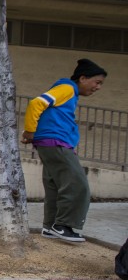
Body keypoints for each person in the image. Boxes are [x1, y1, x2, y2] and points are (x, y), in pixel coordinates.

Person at [21, 58, 107, 244]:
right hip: (56, 143)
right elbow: (37, 103)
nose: (98, 87)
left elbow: (47, 113)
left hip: (49, 142)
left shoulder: (69, 93)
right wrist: (30, 131)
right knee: (78, 184)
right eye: (97, 82)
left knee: (55, 186)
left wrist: (34, 133)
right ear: (83, 78)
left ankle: (50, 226)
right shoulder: (67, 89)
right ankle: (63, 226)